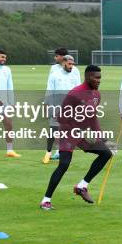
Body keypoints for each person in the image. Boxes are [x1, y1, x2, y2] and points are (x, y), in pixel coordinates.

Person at [40, 65, 112, 210]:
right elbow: (61, 118)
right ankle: (45, 200)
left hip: (80, 135)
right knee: (64, 164)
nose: (98, 80)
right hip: (67, 132)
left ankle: (82, 186)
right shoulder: (75, 93)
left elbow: (93, 118)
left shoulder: (96, 95)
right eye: (95, 77)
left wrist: (101, 138)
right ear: (87, 77)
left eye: (100, 78)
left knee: (106, 153)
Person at [43, 55, 81, 164]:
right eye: (69, 64)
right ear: (63, 63)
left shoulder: (75, 73)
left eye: (73, 64)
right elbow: (49, 91)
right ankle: (48, 152)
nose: (71, 66)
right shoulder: (54, 75)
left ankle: (60, 153)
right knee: (53, 130)